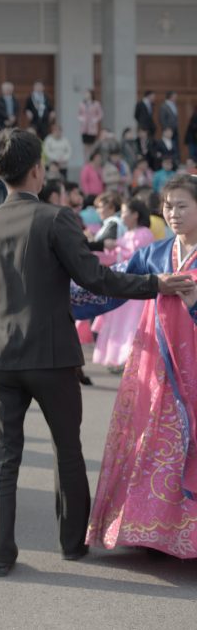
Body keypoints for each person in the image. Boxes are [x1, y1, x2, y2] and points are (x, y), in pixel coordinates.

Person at [0, 128, 191, 576]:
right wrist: (155, 284)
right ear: (38, 170)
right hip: (52, 355)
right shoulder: (57, 218)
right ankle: (71, 544)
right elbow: (94, 278)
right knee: (67, 450)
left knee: (2, 459)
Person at [73, 173, 197, 560]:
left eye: (182, 205)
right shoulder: (155, 253)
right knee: (151, 444)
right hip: (154, 366)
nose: (173, 213)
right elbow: (112, 283)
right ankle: (149, 530)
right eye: (168, 205)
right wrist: (56, 293)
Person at [91, 199, 156, 370]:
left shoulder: (144, 234)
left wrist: (115, 250)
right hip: (123, 285)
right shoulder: (127, 234)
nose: (122, 215)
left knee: (131, 326)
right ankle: (120, 359)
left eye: (125, 212)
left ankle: (130, 360)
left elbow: (137, 259)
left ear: (135, 214)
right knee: (121, 325)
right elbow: (116, 257)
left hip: (136, 287)